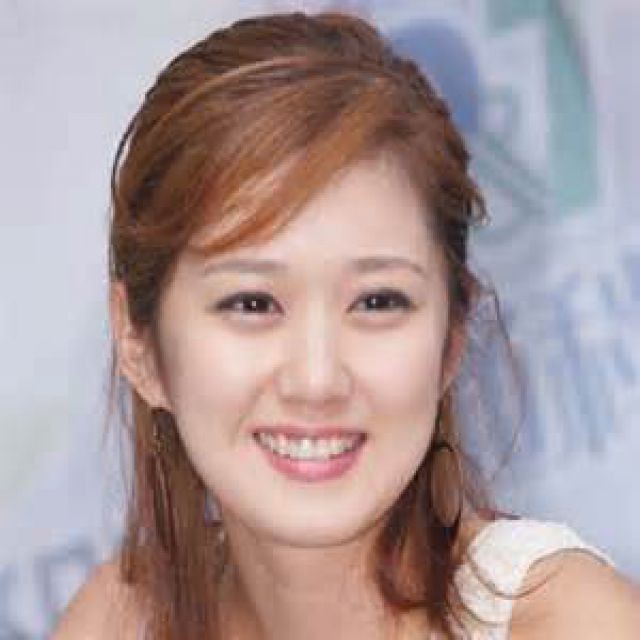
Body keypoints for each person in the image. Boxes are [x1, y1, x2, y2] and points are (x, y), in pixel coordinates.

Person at [52, 10, 639, 640]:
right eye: (251, 303)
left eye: (377, 301)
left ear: (451, 338)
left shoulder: (570, 622)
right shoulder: (117, 621)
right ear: (138, 344)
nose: (317, 379)